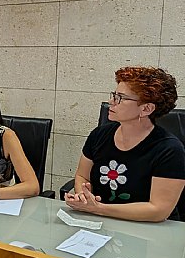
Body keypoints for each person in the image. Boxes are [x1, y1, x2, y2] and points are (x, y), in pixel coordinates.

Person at [65, 66, 185, 222]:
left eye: (120, 98)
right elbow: (82, 176)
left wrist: (99, 209)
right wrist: (83, 195)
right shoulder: (99, 135)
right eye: (114, 95)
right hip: (99, 221)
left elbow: (158, 210)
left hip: (148, 232)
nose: (111, 102)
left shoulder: (170, 150)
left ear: (146, 108)